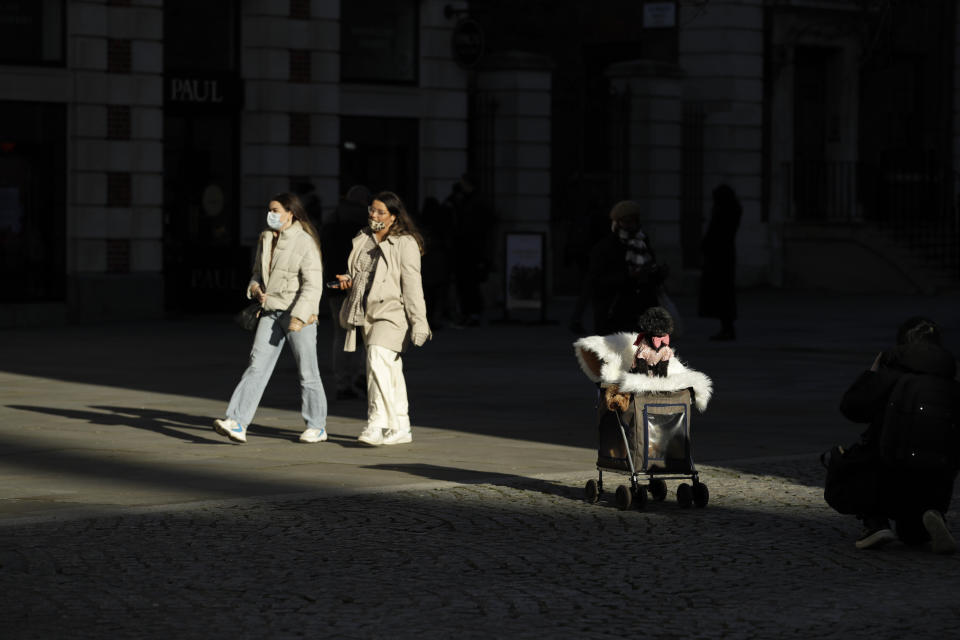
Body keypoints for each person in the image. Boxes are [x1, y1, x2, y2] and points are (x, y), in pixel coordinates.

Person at [836, 316, 960, 552]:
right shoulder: (950, 385)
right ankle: (931, 515)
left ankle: (875, 523)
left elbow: (851, 407)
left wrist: (872, 373)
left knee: (850, 456)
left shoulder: (891, 375)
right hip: (933, 482)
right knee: (912, 536)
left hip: (888, 474)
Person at [213, 192, 328, 444]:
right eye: (270, 209)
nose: (271, 214)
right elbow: (257, 272)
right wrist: (255, 288)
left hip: (298, 313)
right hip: (270, 310)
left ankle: (316, 425)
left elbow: (313, 285)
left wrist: (299, 317)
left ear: (291, 213)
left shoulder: (305, 242)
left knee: (307, 371)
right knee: (256, 366)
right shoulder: (266, 238)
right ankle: (237, 421)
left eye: (276, 210)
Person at [333, 191, 431, 446]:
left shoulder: (405, 243)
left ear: (394, 217)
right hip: (365, 311)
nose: (373, 215)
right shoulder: (362, 238)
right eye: (371, 210)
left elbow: (412, 285)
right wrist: (347, 279)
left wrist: (419, 322)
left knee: (376, 358)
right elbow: (360, 273)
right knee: (389, 370)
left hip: (392, 312)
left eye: (380, 212)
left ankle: (378, 423)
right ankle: (401, 426)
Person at [584, 200, 664, 335]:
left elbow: (650, 269)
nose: (630, 226)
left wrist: (658, 273)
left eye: (633, 221)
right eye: (625, 221)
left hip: (642, 308)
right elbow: (597, 281)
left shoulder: (642, 242)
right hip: (615, 310)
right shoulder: (606, 247)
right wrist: (628, 276)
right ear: (617, 223)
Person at [321, 185, 369, 400]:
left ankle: (342, 382)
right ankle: (360, 373)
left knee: (341, 334)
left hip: (335, 284)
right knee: (364, 331)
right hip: (358, 283)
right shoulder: (365, 222)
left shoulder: (332, 219)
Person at [699, 184, 742, 340]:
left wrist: (705, 247)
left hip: (718, 257)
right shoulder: (733, 210)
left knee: (722, 293)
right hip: (726, 256)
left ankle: (727, 328)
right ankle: (727, 327)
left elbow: (714, 235)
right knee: (725, 293)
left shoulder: (722, 213)